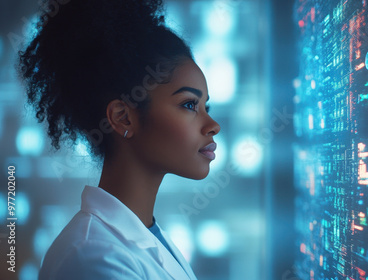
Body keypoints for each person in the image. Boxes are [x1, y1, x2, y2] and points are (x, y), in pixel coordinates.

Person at [16, 0, 220, 279]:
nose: (213, 125)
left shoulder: (147, 237)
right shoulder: (92, 258)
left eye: (206, 107)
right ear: (123, 118)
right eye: (188, 105)